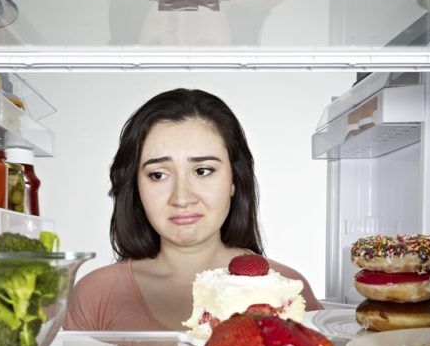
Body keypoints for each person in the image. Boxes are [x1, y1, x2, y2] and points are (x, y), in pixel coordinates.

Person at [64, 88, 322, 332]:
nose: (182, 197)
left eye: (203, 171)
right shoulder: (96, 294)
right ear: (135, 187)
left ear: (234, 179)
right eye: (158, 175)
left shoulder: (288, 287)